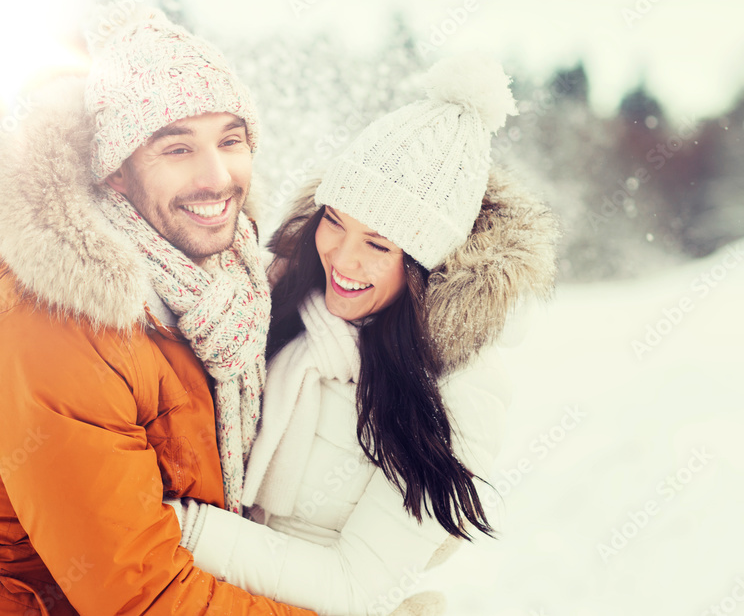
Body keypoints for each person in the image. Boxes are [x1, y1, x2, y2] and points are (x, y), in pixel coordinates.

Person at [0, 8, 316, 614]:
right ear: (117, 174)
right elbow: (141, 594)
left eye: (230, 140)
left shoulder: (226, 289)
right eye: (177, 147)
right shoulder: (52, 328)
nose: (217, 177)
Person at [165, 56, 560, 615]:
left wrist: (180, 526)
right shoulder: (269, 299)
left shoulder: (460, 390)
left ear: (427, 266)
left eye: (379, 245)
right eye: (335, 221)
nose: (342, 259)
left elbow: (353, 584)